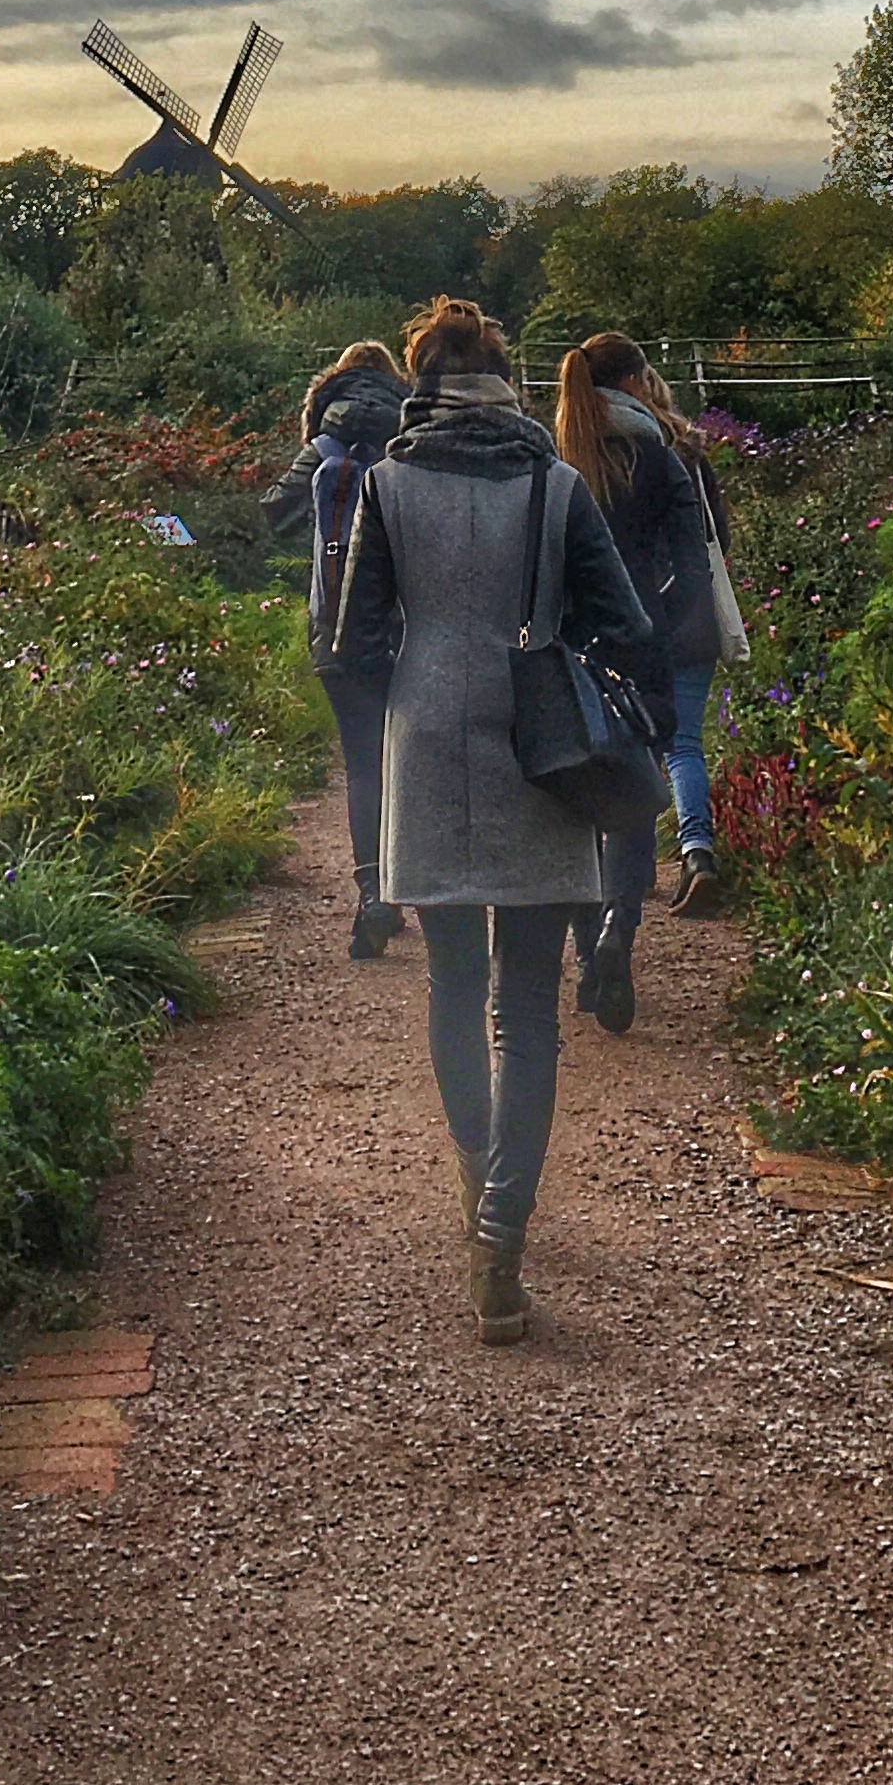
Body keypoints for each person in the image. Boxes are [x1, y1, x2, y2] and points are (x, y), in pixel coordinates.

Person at [327, 294, 649, 1343]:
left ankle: (478, 1184)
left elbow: (353, 645)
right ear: (506, 382)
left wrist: (417, 681)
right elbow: (626, 625)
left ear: (421, 383)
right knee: (529, 1011)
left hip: (428, 745)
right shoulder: (556, 485)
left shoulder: (387, 483)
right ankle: (503, 1235)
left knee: (456, 987)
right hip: (541, 749)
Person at [551, 331, 728, 1028]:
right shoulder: (657, 455)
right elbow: (694, 558)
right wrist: (658, 622)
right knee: (630, 798)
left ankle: (586, 957)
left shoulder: (558, 456)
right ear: (632, 382)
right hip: (643, 647)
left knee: (575, 804)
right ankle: (618, 929)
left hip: (571, 651)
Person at [277, 337, 413, 957]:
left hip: (335, 625)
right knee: (407, 760)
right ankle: (416, 883)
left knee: (362, 762)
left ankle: (372, 895)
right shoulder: (410, 435)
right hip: (407, 628)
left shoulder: (324, 445)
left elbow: (273, 511)